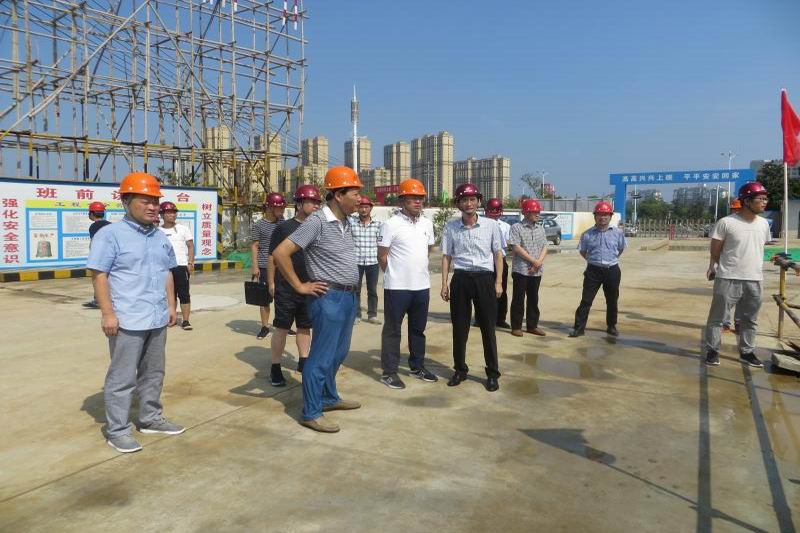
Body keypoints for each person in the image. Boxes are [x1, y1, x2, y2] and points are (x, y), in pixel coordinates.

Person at [86, 172, 184, 454]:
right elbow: (99, 275)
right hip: (127, 319)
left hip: (156, 317)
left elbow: (167, 272)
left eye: (155, 201)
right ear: (126, 201)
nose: (153, 207)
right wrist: (107, 313)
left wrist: (171, 305)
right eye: (145, 201)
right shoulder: (110, 235)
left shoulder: (160, 236)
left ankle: (150, 418)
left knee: (154, 373)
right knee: (122, 377)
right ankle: (117, 430)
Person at [272, 166, 363, 433]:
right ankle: (311, 412)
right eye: (355, 194)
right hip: (328, 298)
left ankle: (329, 397)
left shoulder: (346, 222)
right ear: (338, 195)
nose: (360, 199)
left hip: (348, 297)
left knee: (338, 353)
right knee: (321, 357)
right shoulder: (317, 222)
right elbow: (280, 253)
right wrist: (299, 285)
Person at [440, 183, 503, 392]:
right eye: (464, 200)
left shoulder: (490, 225)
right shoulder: (451, 227)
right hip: (461, 279)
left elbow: (498, 255)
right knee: (459, 327)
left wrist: (498, 282)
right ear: (458, 203)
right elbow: (446, 256)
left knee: (488, 328)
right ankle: (460, 370)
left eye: (472, 199)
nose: (469, 203)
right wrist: (444, 283)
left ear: (478, 201)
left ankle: (492, 374)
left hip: (484, 279)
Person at [377, 178, 437, 389]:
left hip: (421, 286)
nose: (418, 202)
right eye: (413, 198)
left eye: (420, 198)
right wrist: (395, 274)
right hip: (397, 287)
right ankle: (389, 372)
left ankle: (417, 366)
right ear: (402, 200)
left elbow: (428, 250)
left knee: (418, 330)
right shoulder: (390, 224)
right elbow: (382, 255)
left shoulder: (427, 224)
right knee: (393, 330)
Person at [704, 182, 771, 368]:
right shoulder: (726, 223)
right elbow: (715, 250)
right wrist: (717, 266)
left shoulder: (764, 224)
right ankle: (712, 351)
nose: (765, 202)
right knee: (718, 318)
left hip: (755, 279)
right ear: (747, 201)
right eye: (760, 199)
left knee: (750, 319)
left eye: (766, 199)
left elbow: (759, 247)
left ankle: (747, 352)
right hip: (728, 277)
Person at [266, 185, 322, 386]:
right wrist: (271, 282)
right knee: (281, 327)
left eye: (317, 202)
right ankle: (275, 367)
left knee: (305, 326)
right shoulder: (284, 228)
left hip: (310, 285)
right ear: (299, 204)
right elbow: (272, 257)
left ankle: (303, 361)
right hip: (286, 286)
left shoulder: (318, 227)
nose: (315, 206)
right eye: (311, 202)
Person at [569, 201, 626, 338]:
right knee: (586, 300)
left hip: (612, 270)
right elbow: (582, 251)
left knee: (612, 300)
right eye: (599, 215)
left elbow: (620, 248)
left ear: (610, 217)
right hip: (593, 271)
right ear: (595, 216)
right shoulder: (587, 234)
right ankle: (579, 328)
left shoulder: (618, 233)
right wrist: (592, 261)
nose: (602, 217)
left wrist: (610, 260)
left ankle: (611, 326)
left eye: (606, 215)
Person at [509, 199, 548, 337]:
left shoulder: (540, 228)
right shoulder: (516, 228)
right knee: (518, 299)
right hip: (521, 269)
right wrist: (533, 261)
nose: (537, 214)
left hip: (536, 270)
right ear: (525, 212)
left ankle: (532, 326)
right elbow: (516, 247)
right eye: (534, 211)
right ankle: (516, 327)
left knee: (533, 299)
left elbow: (544, 246)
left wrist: (538, 262)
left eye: (538, 211)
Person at [251, 193, 286, 339]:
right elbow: (255, 246)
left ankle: (283, 325)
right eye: (280, 207)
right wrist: (255, 266)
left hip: (282, 266)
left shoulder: (283, 223)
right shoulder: (259, 225)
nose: (283, 210)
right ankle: (265, 327)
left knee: (283, 298)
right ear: (270, 208)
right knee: (265, 298)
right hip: (265, 266)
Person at [159, 201, 195, 330]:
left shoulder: (183, 229)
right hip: (165, 267)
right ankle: (172, 318)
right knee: (170, 295)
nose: (172, 215)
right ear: (162, 214)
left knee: (184, 294)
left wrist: (190, 262)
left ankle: (185, 321)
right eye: (169, 212)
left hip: (181, 265)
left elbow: (190, 246)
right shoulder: (158, 231)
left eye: (174, 212)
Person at [351, 195, 382, 325]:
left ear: (371, 208)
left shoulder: (378, 225)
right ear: (357, 208)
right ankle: (356, 315)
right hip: (356, 262)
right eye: (361, 207)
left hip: (372, 262)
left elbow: (381, 243)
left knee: (372, 290)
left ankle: (372, 315)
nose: (363, 209)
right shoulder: (352, 223)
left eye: (366, 207)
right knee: (355, 290)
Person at [482, 198, 512, 329]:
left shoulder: (505, 227)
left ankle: (500, 318)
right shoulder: (480, 224)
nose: (493, 215)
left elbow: (509, 244)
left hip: (500, 261)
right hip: (485, 261)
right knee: (483, 292)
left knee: (501, 290)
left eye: (496, 212)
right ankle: (481, 318)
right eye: (491, 212)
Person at [83, 202, 112, 309]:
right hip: (111, 255)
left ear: (91, 213)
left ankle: (98, 301)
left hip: (100, 255)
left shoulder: (94, 226)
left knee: (97, 278)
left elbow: (94, 242)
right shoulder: (110, 224)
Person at [721, 198, 742, 334]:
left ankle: (739, 325)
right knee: (726, 299)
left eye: (737, 209)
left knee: (742, 300)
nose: (736, 211)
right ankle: (725, 324)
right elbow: (717, 245)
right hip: (729, 268)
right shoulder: (726, 223)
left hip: (746, 269)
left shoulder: (753, 224)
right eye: (734, 209)